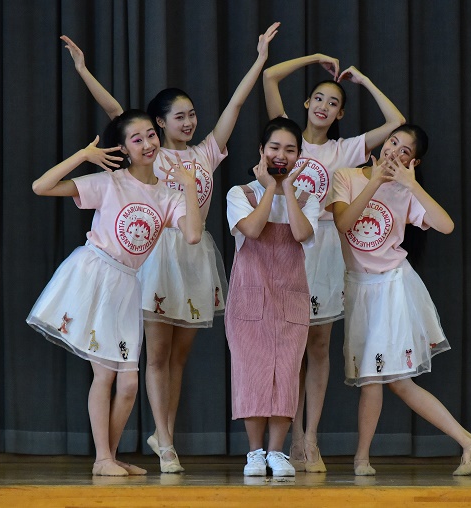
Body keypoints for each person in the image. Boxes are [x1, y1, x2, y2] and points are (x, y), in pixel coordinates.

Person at [60, 23, 279, 472]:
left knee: (179, 356)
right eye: (179, 116)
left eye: (192, 115)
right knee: (156, 355)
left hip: (195, 257)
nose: (189, 122)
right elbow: (116, 111)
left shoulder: (205, 153)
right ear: (158, 123)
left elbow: (236, 105)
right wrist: (83, 71)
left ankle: (165, 434)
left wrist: (259, 59)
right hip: (157, 255)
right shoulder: (153, 154)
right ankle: (165, 445)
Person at [26, 110, 202, 476]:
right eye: (137, 139)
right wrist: (82, 156)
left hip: (126, 285)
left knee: (129, 384)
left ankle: (108, 457)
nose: (148, 143)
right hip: (95, 277)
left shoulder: (167, 196)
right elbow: (41, 187)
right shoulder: (110, 182)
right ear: (123, 148)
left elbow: (193, 235)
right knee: (105, 376)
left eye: (151, 135)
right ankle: (102, 459)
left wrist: (188, 186)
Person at [262, 54, 406, 472]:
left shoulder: (345, 149)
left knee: (319, 346)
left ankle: (311, 438)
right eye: (319, 98)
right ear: (307, 103)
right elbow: (269, 76)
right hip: (286, 243)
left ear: (340, 113)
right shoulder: (290, 138)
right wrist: (313, 59)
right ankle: (289, 439)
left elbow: (396, 122)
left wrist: (364, 80)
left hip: (324, 248)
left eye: (334, 102)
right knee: (290, 348)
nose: (324, 106)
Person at [327, 124, 471, 476]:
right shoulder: (347, 177)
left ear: (413, 161)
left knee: (375, 377)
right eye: (393, 142)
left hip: (393, 286)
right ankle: (467, 441)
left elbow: (446, 225)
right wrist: (374, 182)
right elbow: (344, 223)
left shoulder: (405, 191)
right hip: (359, 287)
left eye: (405, 151)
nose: (394, 151)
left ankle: (362, 460)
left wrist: (411, 185)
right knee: (393, 381)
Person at [225, 117, 319, 477]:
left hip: (290, 299)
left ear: (299, 156)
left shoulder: (307, 198)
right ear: (262, 151)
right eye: (275, 147)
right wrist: (268, 189)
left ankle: (278, 452)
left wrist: (288, 191)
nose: (282, 155)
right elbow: (251, 229)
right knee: (252, 371)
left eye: (290, 150)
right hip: (250, 298)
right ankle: (255, 452)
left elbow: (301, 234)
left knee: (286, 373)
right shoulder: (241, 193)